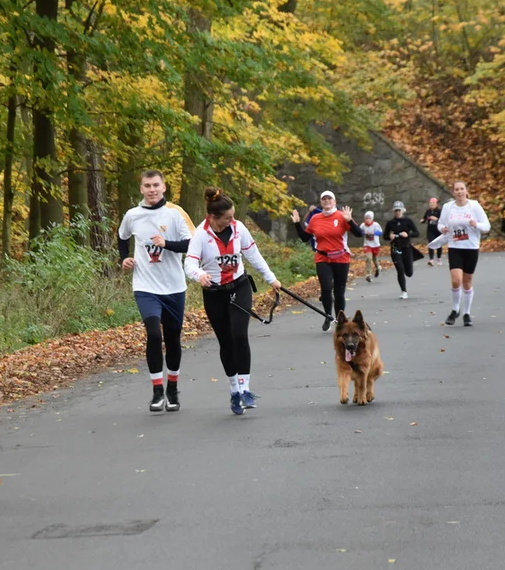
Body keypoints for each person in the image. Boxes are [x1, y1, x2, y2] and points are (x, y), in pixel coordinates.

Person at [185, 187, 282, 414]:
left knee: (239, 334)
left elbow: (253, 255)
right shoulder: (200, 234)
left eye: (233, 216)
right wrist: (199, 275)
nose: (232, 220)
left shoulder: (238, 229)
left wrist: (272, 279)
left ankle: (246, 389)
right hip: (214, 293)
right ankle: (234, 391)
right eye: (228, 217)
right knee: (226, 341)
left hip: (239, 286)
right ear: (213, 217)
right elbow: (189, 262)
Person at [118, 170, 194, 411]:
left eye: (156, 185)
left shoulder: (175, 213)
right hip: (145, 286)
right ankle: (157, 390)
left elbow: (191, 244)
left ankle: (172, 388)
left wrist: (167, 244)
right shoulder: (132, 215)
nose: (152, 190)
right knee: (153, 334)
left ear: (164, 187)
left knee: (172, 338)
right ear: (141, 189)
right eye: (147, 186)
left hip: (173, 286)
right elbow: (122, 238)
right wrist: (125, 258)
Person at [290, 191, 364, 331]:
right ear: (321, 202)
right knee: (326, 287)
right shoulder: (315, 218)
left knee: (339, 291)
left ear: (334, 202)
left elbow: (359, 233)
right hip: (323, 257)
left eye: (329, 198)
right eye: (323, 199)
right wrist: (296, 223)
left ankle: (340, 321)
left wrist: (349, 220)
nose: (326, 201)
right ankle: (328, 316)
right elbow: (305, 238)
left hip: (341, 258)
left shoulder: (342, 216)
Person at [438, 181, 491, 326]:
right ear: (453, 192)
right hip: (455, 246)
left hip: (471, 247)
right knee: (456, 280)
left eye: (462, 189)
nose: (460, 192)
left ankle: (467, 313)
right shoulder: (448, 207)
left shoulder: (474, 206)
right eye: (457, 189)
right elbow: (441, 224)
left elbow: (486, 226)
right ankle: (455, 310)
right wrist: (442, 229)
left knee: (467, 282)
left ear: (466, 191)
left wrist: (476, 225)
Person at [383, 201, 421, 299]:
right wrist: (390, 237)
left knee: (409, 273)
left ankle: (409, 264)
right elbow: (385, 236)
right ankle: (404, 291)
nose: (397, 212)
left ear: (403, 211)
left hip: (406, 248)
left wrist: (408, 234)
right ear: (393, 212)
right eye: (395, 211)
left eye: (399, 210)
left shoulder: (408, 221)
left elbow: (417, 233)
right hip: (395, 248)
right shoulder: (390, 223)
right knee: (400, 269)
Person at [360, 211, 383, 282]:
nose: (368, 220)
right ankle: (368, 274)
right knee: (368, 258)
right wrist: (364, 232)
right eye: (366, 218)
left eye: (369, 218)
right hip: (367, 244)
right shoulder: (363, 225)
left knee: (375, 259)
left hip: (375, 244)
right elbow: (359, 231)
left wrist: (374, 233)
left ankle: (378, 268)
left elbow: (380, 232)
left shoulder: (376, 225)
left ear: (372, 219)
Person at [422, 197, 444, 266]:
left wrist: (436, 219)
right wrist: (423, 220)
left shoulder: (439, 211)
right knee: (431, 243)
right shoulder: (428, 211)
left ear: (436, 204)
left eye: (433, 203)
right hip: (430, 230)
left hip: (438, 230)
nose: (431, 204)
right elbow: (425, 218)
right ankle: (431, 260)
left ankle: (438, 258)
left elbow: (442, 220)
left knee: (438, 244)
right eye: (430, 203)